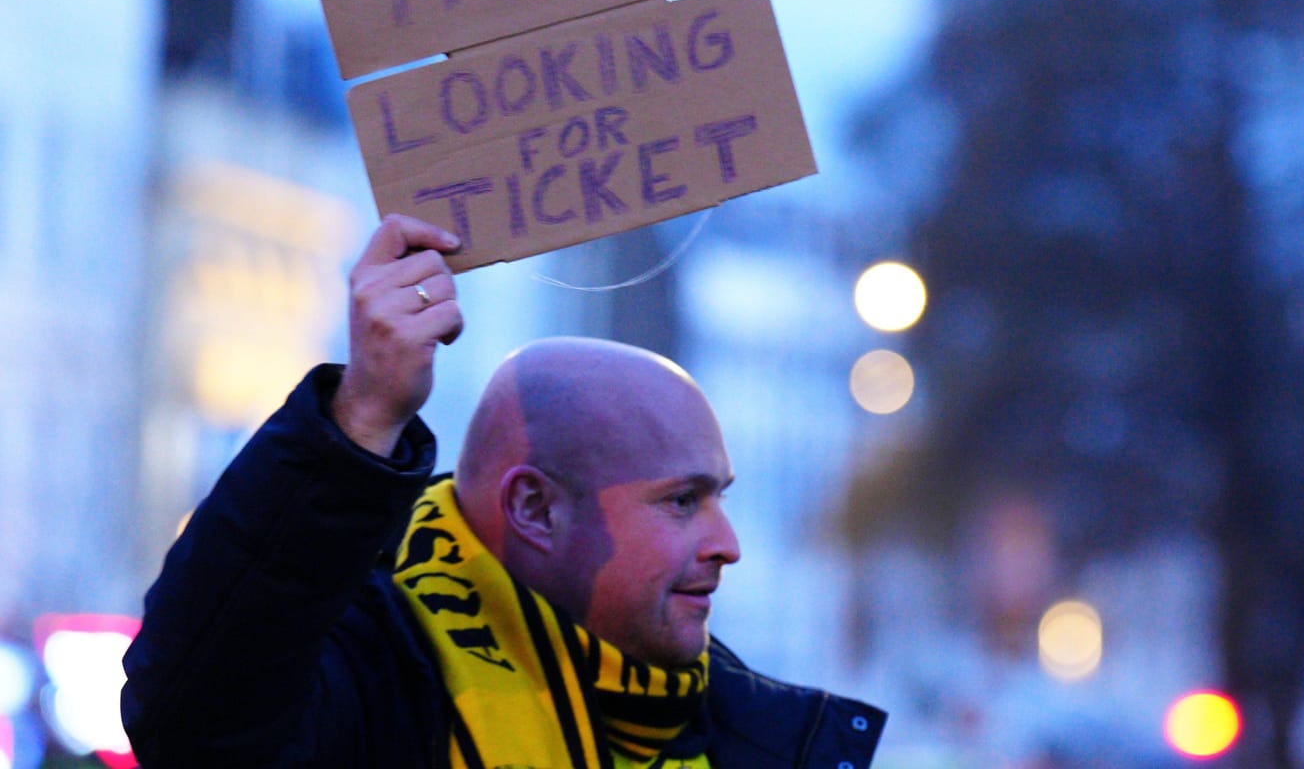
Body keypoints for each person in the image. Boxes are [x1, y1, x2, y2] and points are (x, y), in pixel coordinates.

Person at [122, 214, 886, 768]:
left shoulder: (747, 734)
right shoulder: (369, 686)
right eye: (682, 501)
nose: (728, 545)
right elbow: (198, 726)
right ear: (534, 509)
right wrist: (364, 411)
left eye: (720, 496)